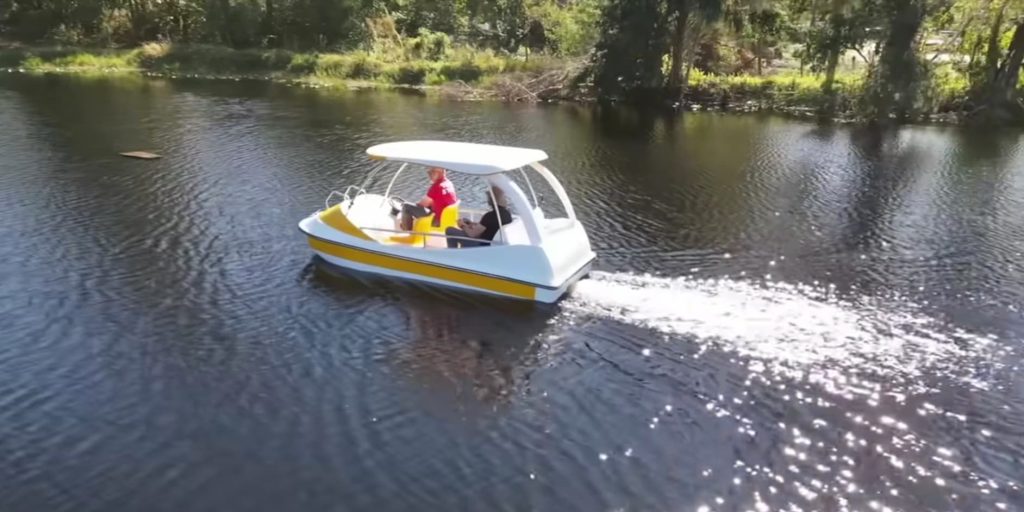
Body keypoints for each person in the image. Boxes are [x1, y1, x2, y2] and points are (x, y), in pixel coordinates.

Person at [446, 186, 513, 248]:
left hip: (481, 245)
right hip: (493, 242)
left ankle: (451, 254)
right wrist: (470, 224)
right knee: (466, 221)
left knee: (449, 230)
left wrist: (462, 226)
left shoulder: (490, 216)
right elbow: (487, 226)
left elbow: (472, 234)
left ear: (491, 200)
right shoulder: (507, 214)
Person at [399, 167, 457, 231]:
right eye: (428, 172)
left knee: (406, 206)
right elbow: (435, 201)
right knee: (427, 206)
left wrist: (414, 206)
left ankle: (406, 230)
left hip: (437, 221)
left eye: (431, 172)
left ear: (439, 173)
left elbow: (422, 204)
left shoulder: (437, 186)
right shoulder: (448, 183)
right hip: (447, 220)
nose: (428, 174)